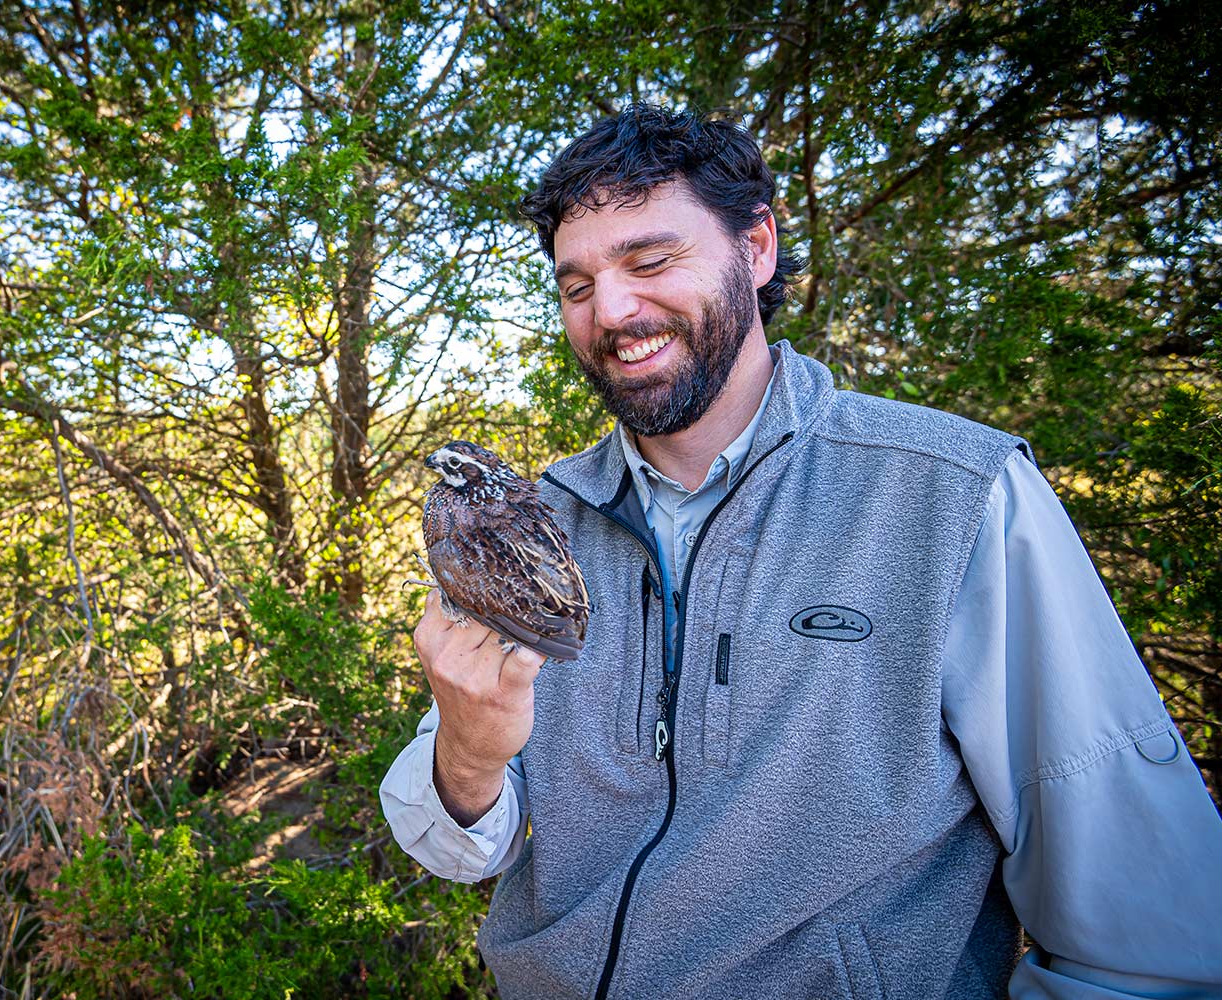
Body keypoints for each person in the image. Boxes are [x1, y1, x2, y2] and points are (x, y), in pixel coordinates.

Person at [379, 104, 1222, 1000]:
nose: (612, 309)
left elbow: (1143, 935)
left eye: (651, 260)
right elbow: (459, 846)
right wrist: (467, 755)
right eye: (577, 285)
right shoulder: (530, 523)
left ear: (757, 248)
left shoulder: (951, 495)